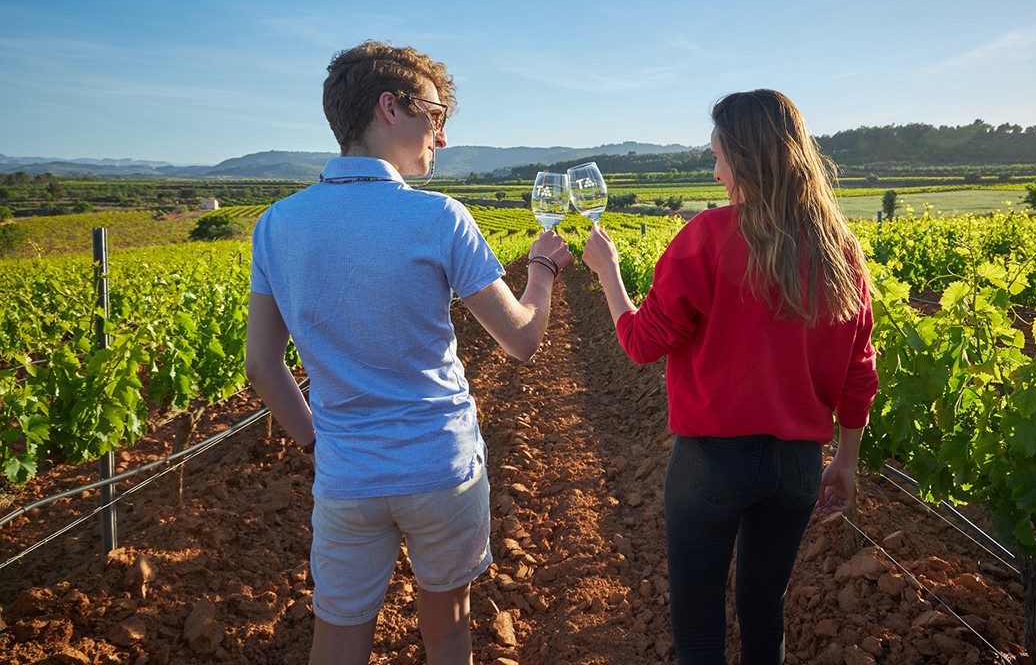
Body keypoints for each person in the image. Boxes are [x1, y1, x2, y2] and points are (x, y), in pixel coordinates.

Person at [244, 41, 573, 665]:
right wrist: (541, 268)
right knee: (448, 634)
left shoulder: (277, 225)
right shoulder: (440, 218)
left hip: (347, 477)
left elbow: (262, 365)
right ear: (390, 107)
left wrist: (317, 444)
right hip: (439, 468)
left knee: (337, 639)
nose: (442, 136)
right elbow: (523, 339)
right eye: (437, 112)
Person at [581, 89, 878, 665]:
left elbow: (643, 343)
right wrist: (845, 458)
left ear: (744, 158)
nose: (715, 173)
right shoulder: (841, 249)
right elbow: (859, 368)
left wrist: (609, 275)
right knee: (765, 613)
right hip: (797, 467)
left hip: (711, 464)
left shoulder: (708, 237)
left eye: (718, 157)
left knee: (697, 631)